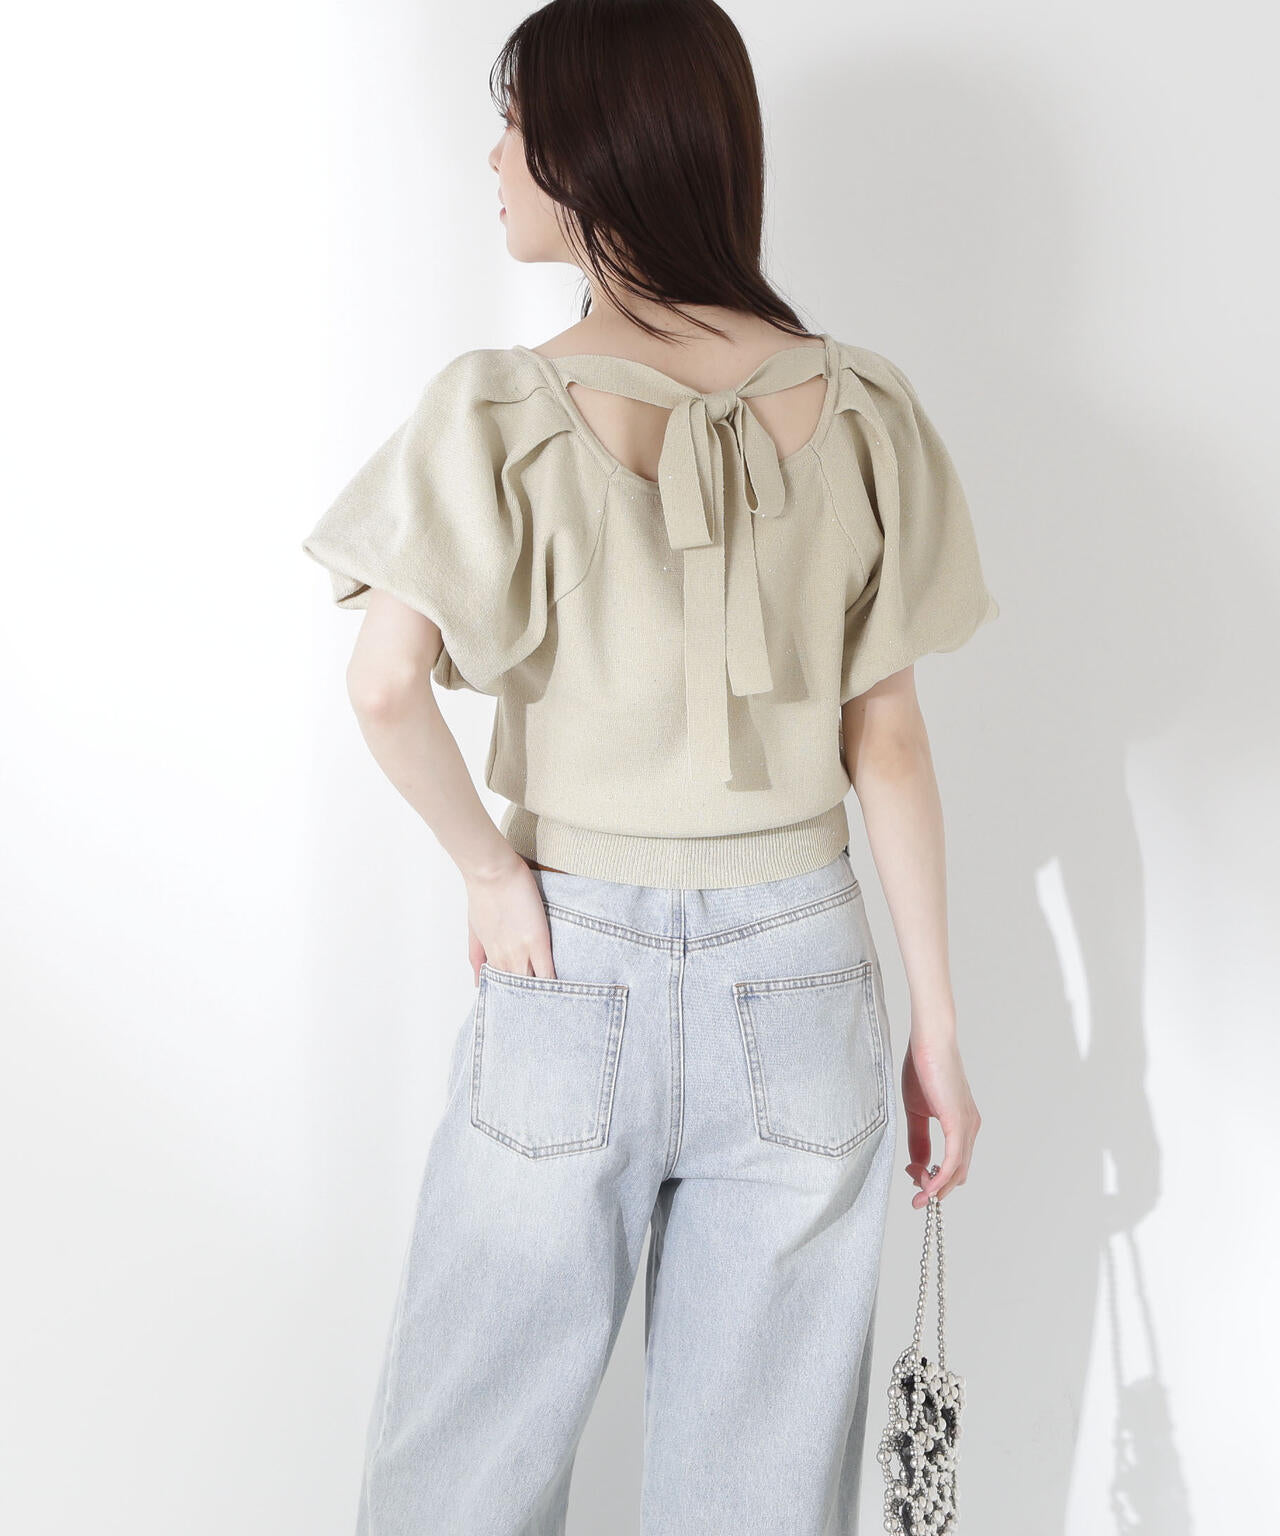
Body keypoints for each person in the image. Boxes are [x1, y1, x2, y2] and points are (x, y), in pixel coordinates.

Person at [301, 1, 999, 1531]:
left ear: (593, 149)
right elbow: (885, 736)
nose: (493, 159)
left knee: (462, 1465)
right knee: (762, 1490)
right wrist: (937, 1022)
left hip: (570, 959)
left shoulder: (499, 408)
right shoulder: (860, 406)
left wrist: (491, 873)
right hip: (806, 970)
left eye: (514, 126)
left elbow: (383, 682)